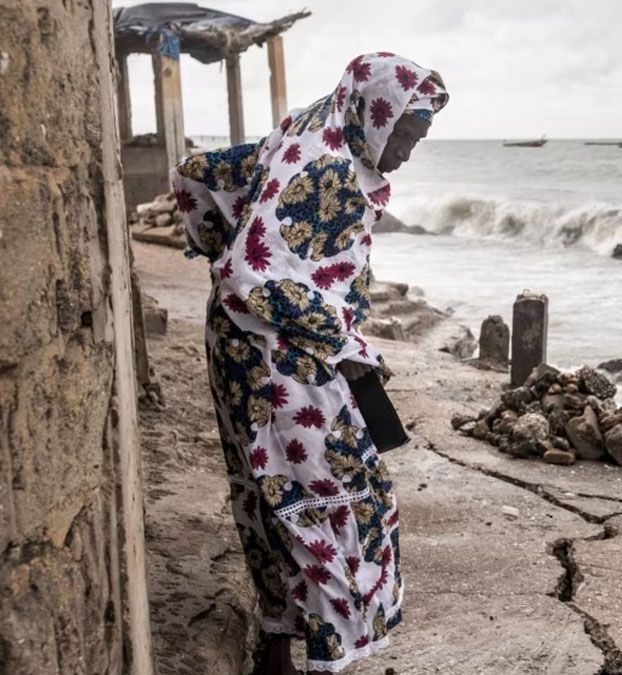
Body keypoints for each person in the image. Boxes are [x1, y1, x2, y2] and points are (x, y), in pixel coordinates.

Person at [169, 52, 448, 674]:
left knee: (272, 494)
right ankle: (326, 658)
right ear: (377, 115)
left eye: (418, 139)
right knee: (339, 499)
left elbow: (197, 173)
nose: (406, 152)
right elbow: (249, 273)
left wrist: (216, 243)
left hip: (243, 343)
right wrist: (343, 341)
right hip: (278, 353)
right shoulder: (329, 171)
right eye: (405, 134)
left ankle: (275, 646)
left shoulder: (307, 131)